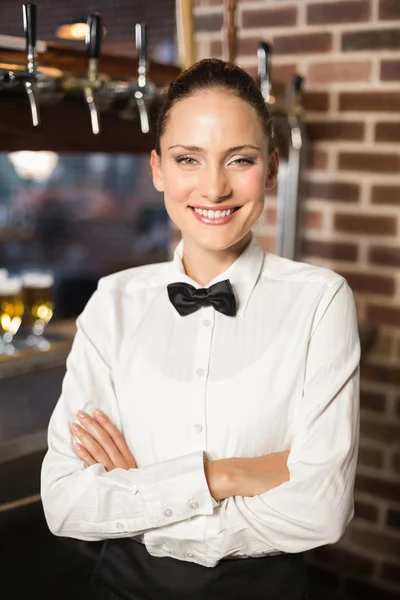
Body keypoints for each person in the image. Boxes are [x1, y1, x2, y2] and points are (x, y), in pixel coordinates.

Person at [41, 58, 360, 600]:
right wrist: (223, 477)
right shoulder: (114, 301)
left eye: (239, 160)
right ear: (158, 169)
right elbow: (66, 503)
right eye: (188, 159)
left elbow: (322, 512)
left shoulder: (321, 300)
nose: (213, 189)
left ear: (272, 167)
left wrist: (141, 490)